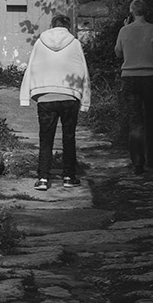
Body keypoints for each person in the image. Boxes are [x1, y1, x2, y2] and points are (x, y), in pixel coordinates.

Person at [20, 14, 91, 190]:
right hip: (69, 96)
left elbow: (31, 67)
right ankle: (69, 176)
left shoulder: (40, 43)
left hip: (45, 97)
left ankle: (43, 178)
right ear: (68, 27)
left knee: (46, 139)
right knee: (69, 137)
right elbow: (83, 70)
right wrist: (85, 100)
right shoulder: (75, 43)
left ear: (52, 26)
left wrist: (25, 96)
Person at [115, 0, 153, 173]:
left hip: (129, 78)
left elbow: (118, 53)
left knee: (135, 120)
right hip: (150, 78)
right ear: (146, 12)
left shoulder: (124, 31)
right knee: (151, 118)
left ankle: (138, 162)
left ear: (131, 12)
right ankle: (151, 159)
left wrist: (126, 29)